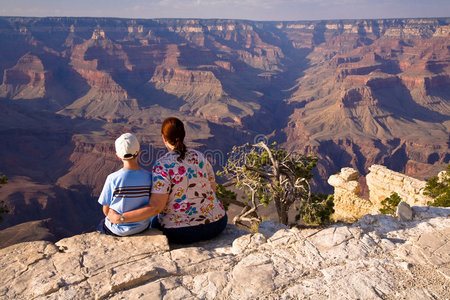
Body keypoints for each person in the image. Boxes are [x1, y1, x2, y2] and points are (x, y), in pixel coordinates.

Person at [108, 117, 227, 243]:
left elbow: (156, 208)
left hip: (181, 232)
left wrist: (121, 218)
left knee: (153, 218)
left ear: (164, 138)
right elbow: (212, 189)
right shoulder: (200, 156)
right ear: (183, 135)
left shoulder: (162, 165)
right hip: (217, 223)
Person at [96, 133, 152, 236]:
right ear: (139, 152)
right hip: (142, 226)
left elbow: (106, 210)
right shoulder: (149, 177)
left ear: (118, 156)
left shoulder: (113, 178)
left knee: (100, 226)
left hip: (117, 229)